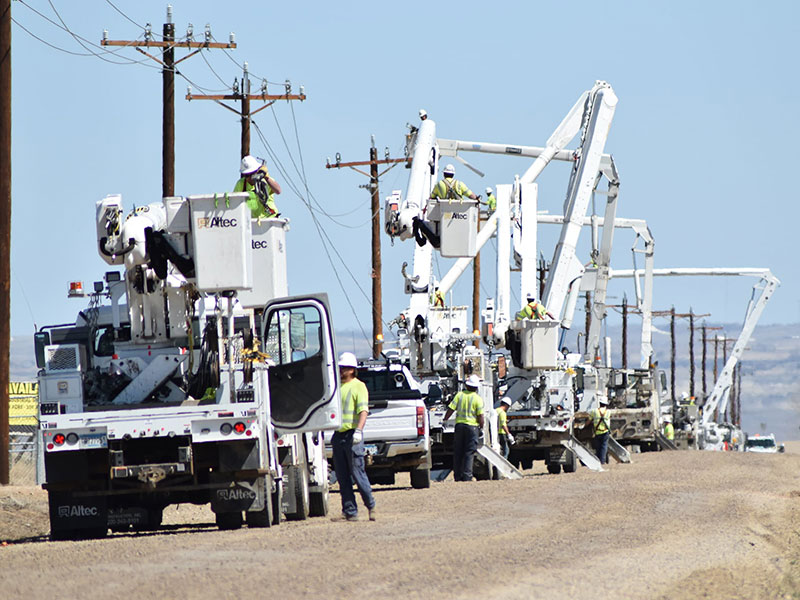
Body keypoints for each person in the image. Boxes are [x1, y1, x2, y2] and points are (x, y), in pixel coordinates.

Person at [330, 352, 376, 522]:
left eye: (344, 368)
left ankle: (370, 505)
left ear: (352, 370)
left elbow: (363, 410)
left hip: (352, 436)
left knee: (357, 473)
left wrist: (359, 430)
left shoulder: (358, 386)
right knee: (342, 476)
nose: (341, 371)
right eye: (340, 368)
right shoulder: (335, 386)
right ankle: (350, 511)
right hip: (338, 435)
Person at [443, 374, 485, 481]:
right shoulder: (477, 399)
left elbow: (451, 409)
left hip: (460, 426)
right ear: (476, 387)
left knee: (458, 452)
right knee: (469, 452)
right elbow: (480, 416)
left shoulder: (459, 395)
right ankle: (467, 476)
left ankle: (457, 476)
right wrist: (481, 427)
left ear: (467, 385)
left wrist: (445, 419)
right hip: (472, 428)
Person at [234, 155, 282, 219]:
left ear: (257, 171)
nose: (250, 177)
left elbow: (278, 190)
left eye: (252, 173)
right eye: (247, 175)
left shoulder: (265, 181)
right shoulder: (241, 184)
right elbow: (234, 202)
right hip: (253, 222)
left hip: (270, 218)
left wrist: (266, 177)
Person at [590, 396, 611, 464]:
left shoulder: (594, 411)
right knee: (604, 447)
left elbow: (589, 420)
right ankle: (602, 461)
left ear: (599, 403)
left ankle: (598, 460)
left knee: (598, 447)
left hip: (597, 432)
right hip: (605, 431)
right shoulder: (608, 412)